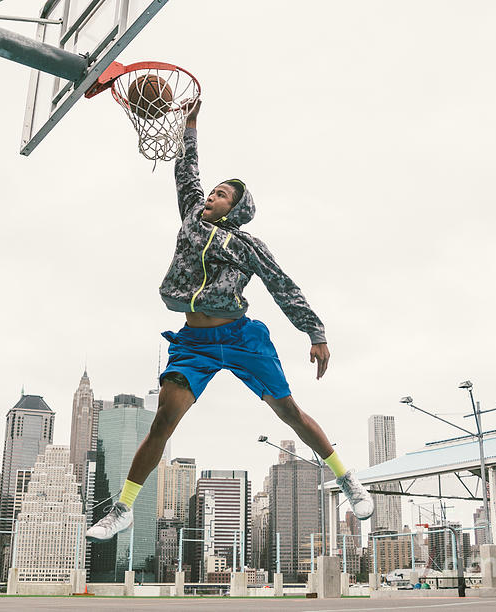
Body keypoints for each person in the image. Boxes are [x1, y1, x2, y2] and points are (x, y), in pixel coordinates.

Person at [87, 100, 373, 542]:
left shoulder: (248, 245)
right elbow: (187, 170)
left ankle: (346, 477)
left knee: (290, 413)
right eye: (211, 191)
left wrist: (315, 331)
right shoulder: (191, 219)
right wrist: (191, 125)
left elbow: (283, 284)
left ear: (234, 210)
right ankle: (123, 507)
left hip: (242, 338)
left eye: (220, 195)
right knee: (164, 418)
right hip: (194, 344)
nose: (209, 196)